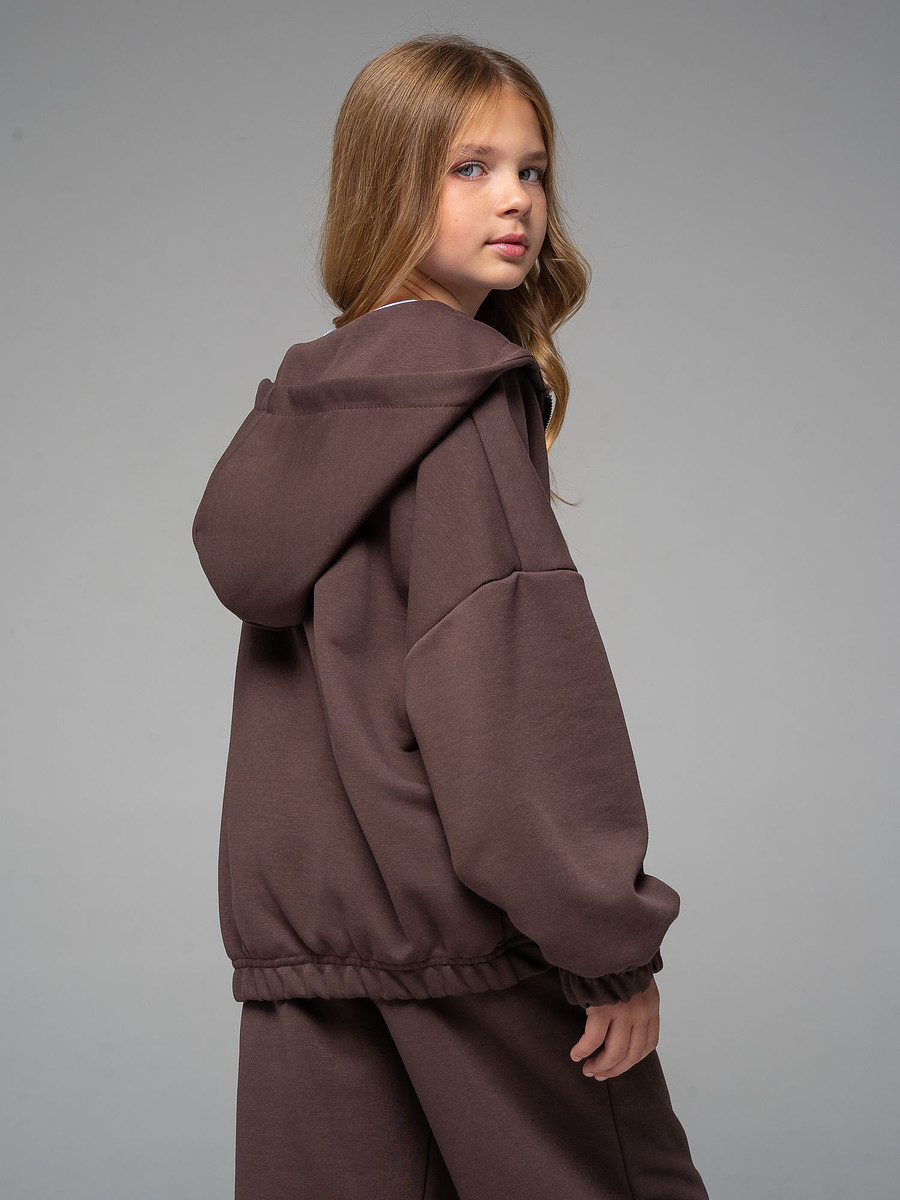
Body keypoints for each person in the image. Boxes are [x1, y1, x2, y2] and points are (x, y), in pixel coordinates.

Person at [191, 31, 710, 1200]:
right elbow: (511, 701)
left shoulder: (306, 406)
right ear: (386, 183)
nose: (516, 199)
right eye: (469, 167)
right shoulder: (463, 400)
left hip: (313, 966)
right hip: (469, 953)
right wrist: (609, 949)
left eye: (532, 169)